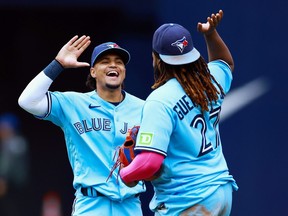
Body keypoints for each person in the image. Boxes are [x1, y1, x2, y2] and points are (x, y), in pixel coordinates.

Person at [119, 9, 238, 216]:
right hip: (221, 190)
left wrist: (125, 174)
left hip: (188, 198)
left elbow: (149, 163)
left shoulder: (160, 99)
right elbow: (225, 63)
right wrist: (211, 35)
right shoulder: (209, 80)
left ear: (156, 58)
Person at [18, 35, 146, 216]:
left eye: (119, 62)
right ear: (93, 72)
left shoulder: (144, 108)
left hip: (131, 204)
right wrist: (58, 64)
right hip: (91, 204)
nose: (113, 65)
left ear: (124, 71)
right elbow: (27, 101)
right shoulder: (73, 103)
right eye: (105, 61)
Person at [0, 112, 30, 216]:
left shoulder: (15, 142)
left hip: (13, 186)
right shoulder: (6, 143)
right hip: (12, 186)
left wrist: (3, 179)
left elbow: (7, 164)